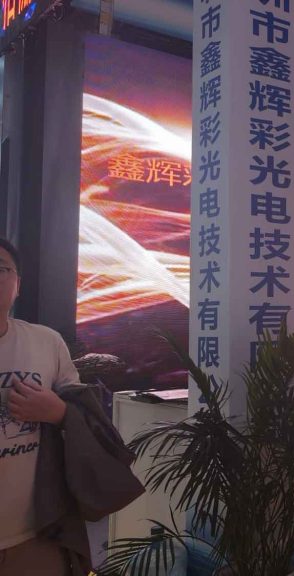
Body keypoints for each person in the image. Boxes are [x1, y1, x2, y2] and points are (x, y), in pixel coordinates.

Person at [0, 238, 143, 575]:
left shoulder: (46, 342)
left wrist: (58, 413)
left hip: (35, 535)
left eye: (2, 269)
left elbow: (91, 419)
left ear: (18, 285)